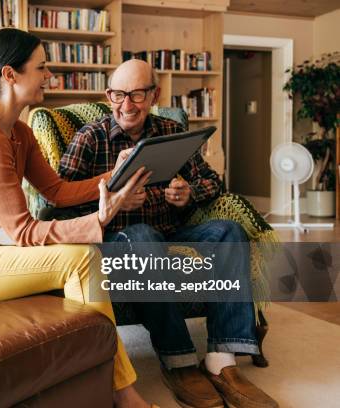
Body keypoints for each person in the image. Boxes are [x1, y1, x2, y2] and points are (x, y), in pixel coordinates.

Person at [0, 28, 158, 408]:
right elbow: (23, 231)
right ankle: (123, 394)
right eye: (41, 68)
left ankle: (87, 381)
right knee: (82, 259)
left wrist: (115, 175)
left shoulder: (19, 132)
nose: (49, 76)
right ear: (10, 75)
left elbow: (55, 191)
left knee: (80, 259)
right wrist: (102, 219)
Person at [58, 59, 279, 408]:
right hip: (115, 242)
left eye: (137, 95)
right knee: (144, 235)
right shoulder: (90, 137)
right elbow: (59, 204)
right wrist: (112, 203)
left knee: (228, 232)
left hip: (170, 233)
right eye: (118, 94)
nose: (126, 105)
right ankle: (178, 360)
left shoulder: (169, 132)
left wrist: (189, 191)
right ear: (107, 94)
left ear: (154, 94)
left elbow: (212, 181)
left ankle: (223, 360)